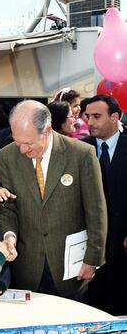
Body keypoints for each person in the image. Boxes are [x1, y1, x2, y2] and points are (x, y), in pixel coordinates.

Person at [0, 100, 107, 302]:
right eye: (17, 141)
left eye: (28, 143)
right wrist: (9, 236)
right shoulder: (7, 156)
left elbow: (96, 212)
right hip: (27, 269)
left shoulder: (81, 155)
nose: (21, 149)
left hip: (72, 269)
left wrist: (93, 259)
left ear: (47, 131)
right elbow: (8, 207)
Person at [84, 94, 127, 315]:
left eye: (96, 116)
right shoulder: (80, 149)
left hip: (122, 240)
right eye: (87, 116)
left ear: (114, 117)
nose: (90, 122)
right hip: (88, 242)